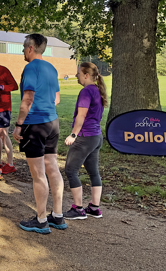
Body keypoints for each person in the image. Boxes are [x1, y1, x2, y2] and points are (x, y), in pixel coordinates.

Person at [12, 34, 64, 234]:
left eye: (24, 47)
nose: (23, 51)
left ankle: (41, 219)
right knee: (52, 168)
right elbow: (57, 99)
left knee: (38, 174)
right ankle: (57, 216)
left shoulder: (30, 68)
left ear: (31, 48)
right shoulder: (51, 68)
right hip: (52, 123)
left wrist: (18, 125)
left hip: (35, 125)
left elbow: (27, 99)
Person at [63, 62, 107, 220]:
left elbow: (81, 116)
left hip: (85, 136)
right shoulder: (97, 90)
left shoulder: (86, 91)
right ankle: (95, 208)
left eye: (78, 74)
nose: (76, 76)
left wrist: (73, 135)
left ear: (86, 75)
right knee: (93, 172)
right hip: (96, 136)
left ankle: (78, 209)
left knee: (70, 170)